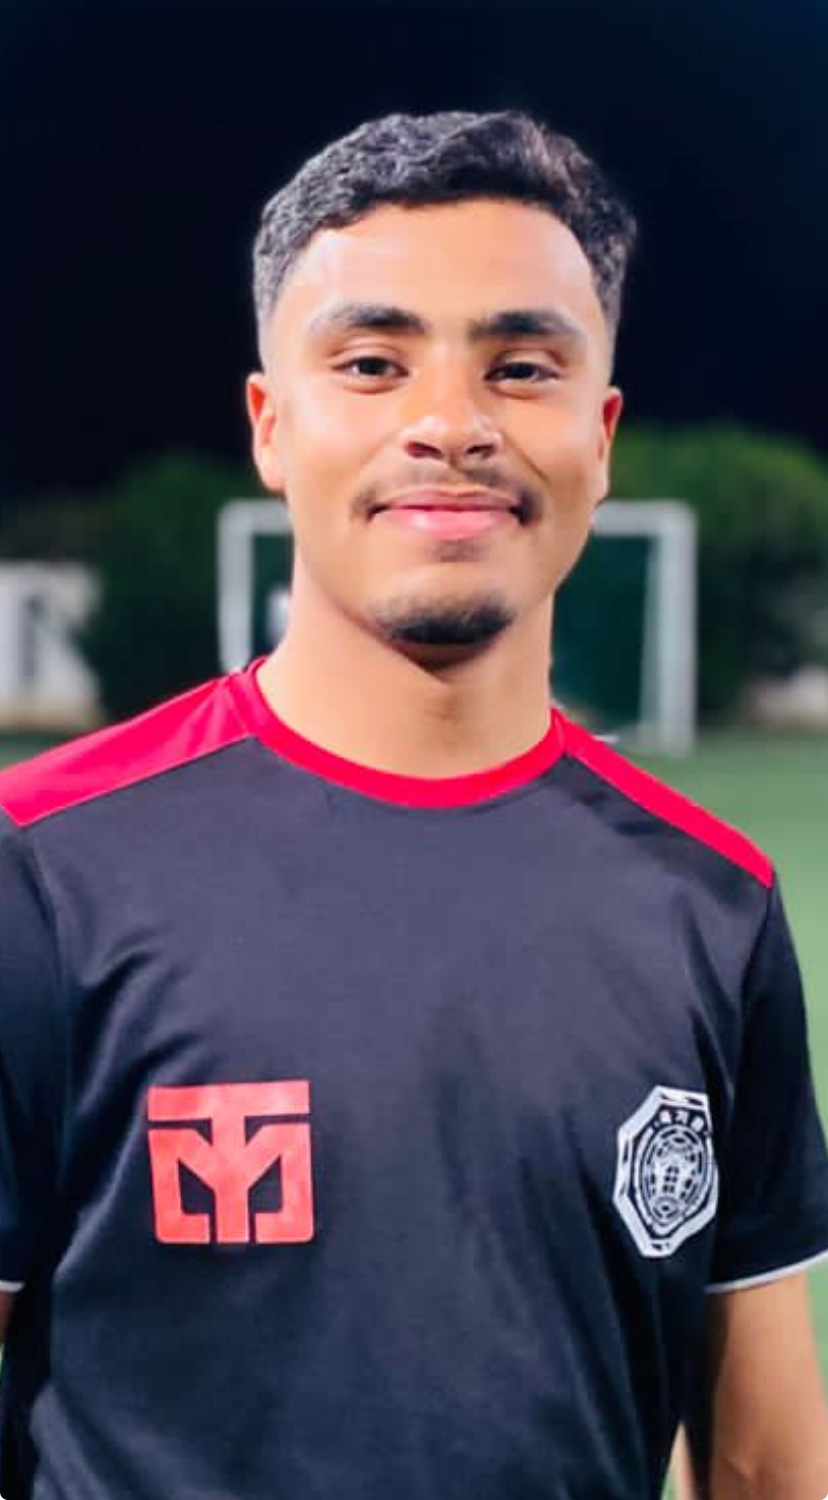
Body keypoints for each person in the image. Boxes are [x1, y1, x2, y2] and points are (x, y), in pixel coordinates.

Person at [0, 110, 826, 1500]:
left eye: (521, 368)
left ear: (600, 435)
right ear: (271, 425)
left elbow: (761, 1458)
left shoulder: (714, 904)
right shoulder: (41, 871)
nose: (451, 425)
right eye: (374, 364)